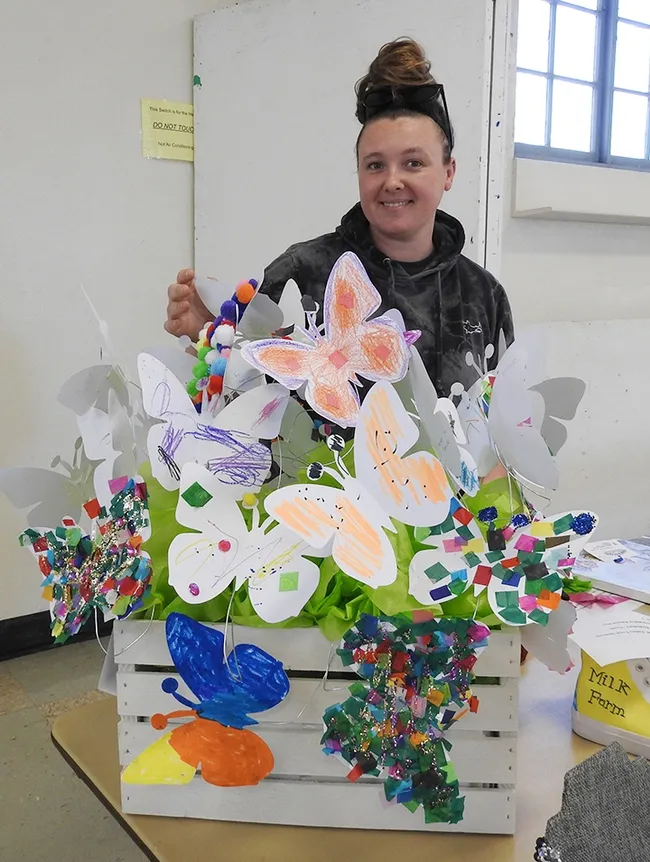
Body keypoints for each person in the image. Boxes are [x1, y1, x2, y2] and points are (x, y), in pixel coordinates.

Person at [165, 37, 513, 397]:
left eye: (414, 163)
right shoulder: (302, 271)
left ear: (449, 172)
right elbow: (247, 390)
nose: (393, 181)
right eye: (375, 165)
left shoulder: (483, 295)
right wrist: (207, 331)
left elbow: (499, 417)